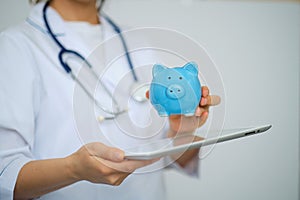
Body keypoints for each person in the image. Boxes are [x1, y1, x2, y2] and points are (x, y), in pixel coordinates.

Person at [0, 0, 220, 199]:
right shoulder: (15, 46)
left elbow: (169, 156)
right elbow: (5, 175)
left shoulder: (135, 41)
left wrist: (182, 131)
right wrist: (74, 169)